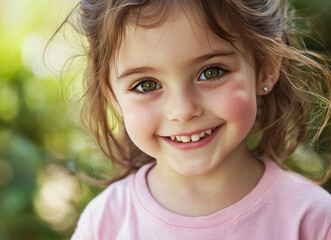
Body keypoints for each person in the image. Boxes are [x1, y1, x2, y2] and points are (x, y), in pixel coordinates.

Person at [60, 0, 331, 239]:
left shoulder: (314, 219)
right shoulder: (105, 223)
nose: (182, 110)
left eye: (211, 72)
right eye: (146, 85)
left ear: (267, 67)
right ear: (114, 98)